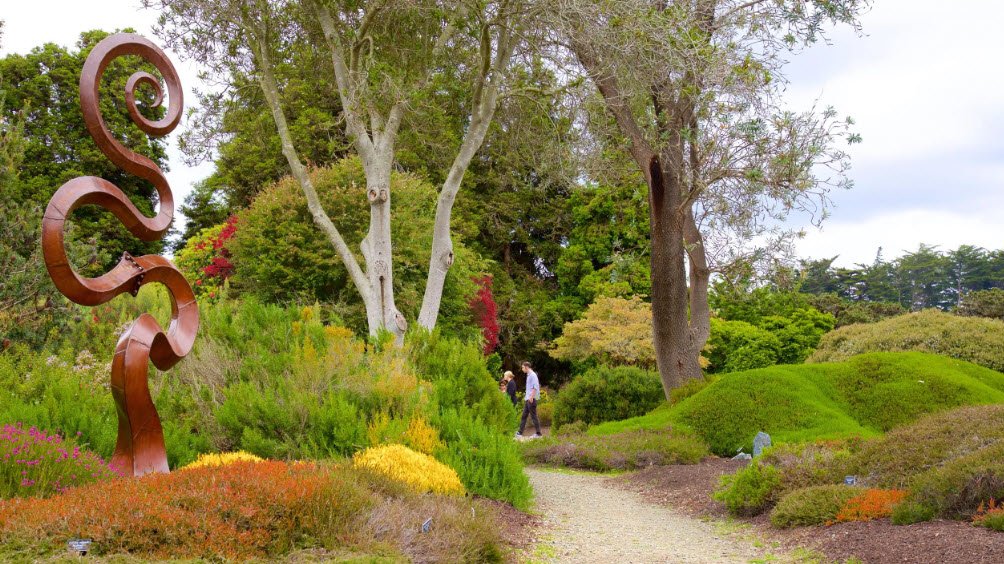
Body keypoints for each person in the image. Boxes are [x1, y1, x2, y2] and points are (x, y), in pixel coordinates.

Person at [515, 361, 542, 438]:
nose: (522, 369)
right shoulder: (528, 375)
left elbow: (535, 387)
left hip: (531, 399)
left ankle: (538, 433)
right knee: (524, 416)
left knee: (534, 416)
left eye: (523, 367)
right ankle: (520, 433)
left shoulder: (533, 375)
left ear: (526, 367)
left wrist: (531, 397)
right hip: (528, 399)